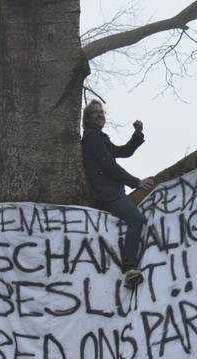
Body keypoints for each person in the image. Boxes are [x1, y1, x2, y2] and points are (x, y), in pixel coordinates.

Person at [80, 99, 155, 288]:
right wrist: (136, 182)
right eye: (96, 112)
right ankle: (130, 268)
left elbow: (123, 152)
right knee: (136, 220)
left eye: (102, 112)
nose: (100, 115)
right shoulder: (91, 137)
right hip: (106, 194)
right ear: (87, 118)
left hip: (110, 192)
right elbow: (109, 165)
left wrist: (137, 135)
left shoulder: (99, 137)